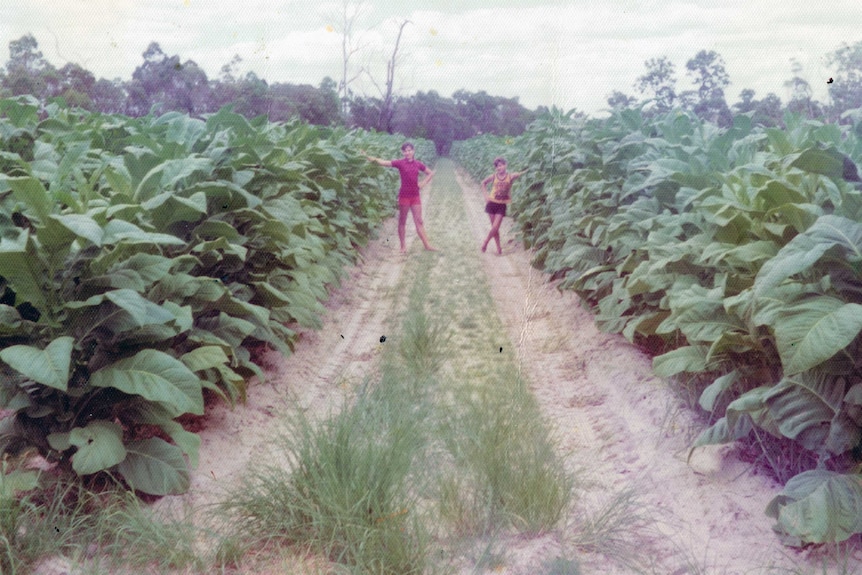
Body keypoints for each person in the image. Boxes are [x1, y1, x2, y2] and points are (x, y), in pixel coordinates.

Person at [364, 142, 437, 253]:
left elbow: (431, 173)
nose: (408, 152)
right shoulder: (400, 163)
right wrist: (368, 157)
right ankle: (403, 247)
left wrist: (423, 183)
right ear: (403, 152)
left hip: (415, 196)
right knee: (402, 221)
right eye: (405, 151)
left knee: (419, 221)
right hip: (404, 197)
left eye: (409, 150)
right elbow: (384, 162)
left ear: (413, 151)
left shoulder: (418, 164)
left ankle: (427, 245)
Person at [480, 157, 527, 254]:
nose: (499, 168)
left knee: (495, 227)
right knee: (495, 228)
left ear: (505, 165)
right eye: (497, 166)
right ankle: (498, 248)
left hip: (501, 206)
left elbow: (522, 173)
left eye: (500, 165)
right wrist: (486, 196)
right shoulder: (493, 176)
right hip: (491, 204)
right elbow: (483, 183)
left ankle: (486, 242)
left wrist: (525, 170)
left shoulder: (510, 176)